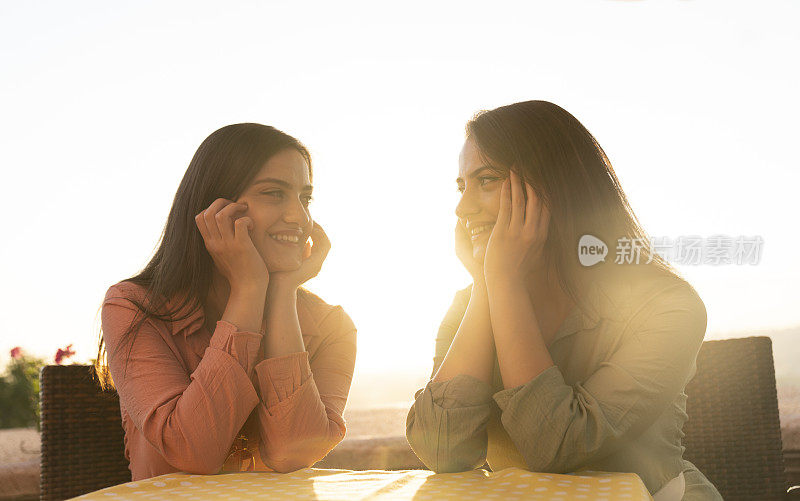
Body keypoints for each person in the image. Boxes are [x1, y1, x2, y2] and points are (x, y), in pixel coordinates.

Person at [406, 101, 722, 500]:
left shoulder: (667, 305)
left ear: (553, 183)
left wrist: (501, 280)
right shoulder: (470, 302)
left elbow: (557, 446)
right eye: (461, 185)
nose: (462, 207)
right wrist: (488, 287)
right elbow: (442, 450)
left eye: (486, 180)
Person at [96, 123, 357, 480]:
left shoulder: (331, 327)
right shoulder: (133, 307)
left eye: (305, 198)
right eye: (274, 193)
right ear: (216, 208)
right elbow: (194, 451)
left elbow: (291, 453)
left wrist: (281, 291)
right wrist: (249, 288)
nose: (300, 217)